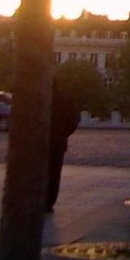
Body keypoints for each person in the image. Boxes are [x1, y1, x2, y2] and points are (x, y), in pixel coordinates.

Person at [45, 78, 80, 212]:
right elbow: (74, 119)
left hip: (40, 142)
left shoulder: (38, 99)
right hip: (58, 141)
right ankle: (49, 201)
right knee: (54, 173)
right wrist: (64, 133)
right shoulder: (65, 100)